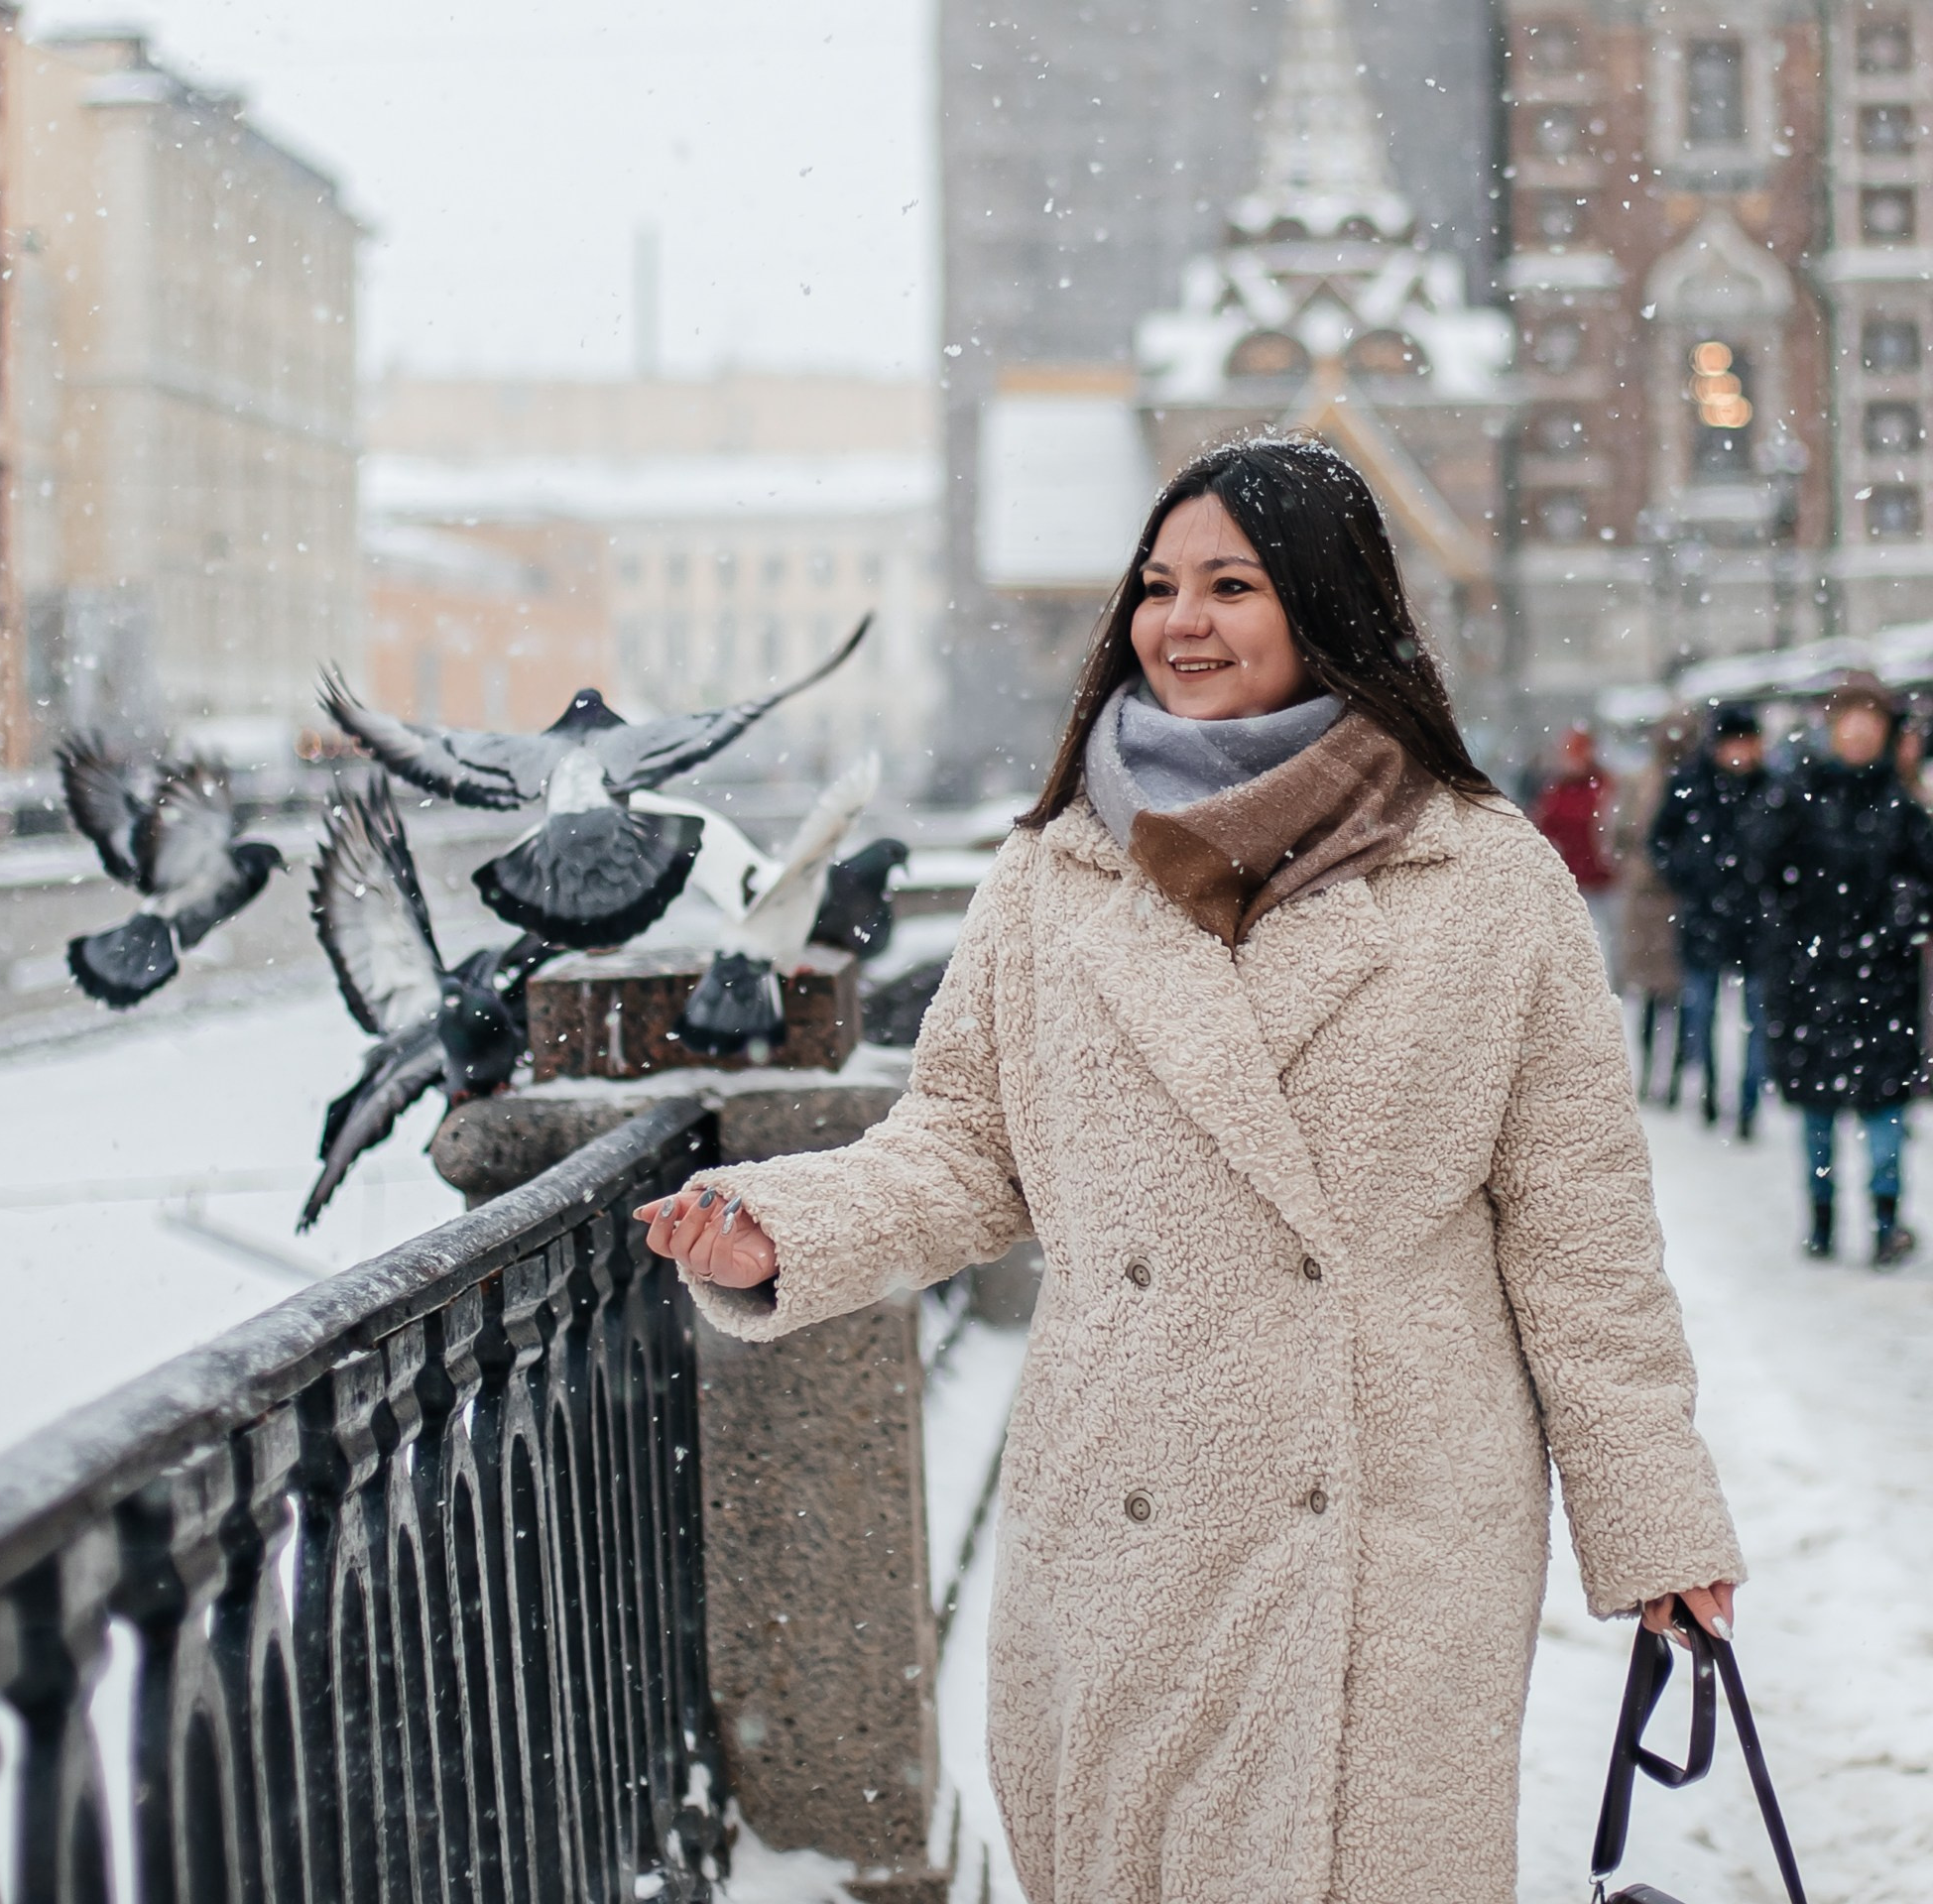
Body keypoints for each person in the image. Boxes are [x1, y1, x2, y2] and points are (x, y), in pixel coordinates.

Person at [637, 438, 1742, 1903]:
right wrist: (781, 1228)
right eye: (1159, 586)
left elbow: (1581, 1241)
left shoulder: (1485, 881)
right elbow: (965, 1142)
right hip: (1125, 1518)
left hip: (1395, 1527)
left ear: (1329, 607)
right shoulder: (1056, 875)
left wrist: (1654, 1521)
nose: (1183, 622)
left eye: (1233, 584)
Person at [1750, 671, 1933, 1264]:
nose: (1858, 734)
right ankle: (1822, 1220)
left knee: (1883, 1116)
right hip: (1812, 982)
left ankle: (1885, 1224)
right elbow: (1761, 869)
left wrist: (1905, 913)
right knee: (1819, 1118)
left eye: (1870, 722)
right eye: (1847, 721)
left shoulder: (1902, 806)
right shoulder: (1799, 795)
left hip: (1884, 982)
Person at [1648, 704, 1771, 1134]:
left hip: (1758, 924)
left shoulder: (1771, 790)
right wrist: (1690, 873)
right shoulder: (1691, 786)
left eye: (1746, 743)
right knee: (1701, 1015)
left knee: (1756, 1021)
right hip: (1704, 918)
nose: (1740, 753)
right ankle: (1710, 1093)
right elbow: (1659, 841)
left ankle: (1748, 1103)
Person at [1613, 716, 1691, 1100]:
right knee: (1652, 997)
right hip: (1647, 901)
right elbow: (1616, 835)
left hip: (1676, 899)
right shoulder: (1640, 781)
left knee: (1673, 998)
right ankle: (1653, 1071)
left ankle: (1673, 1072)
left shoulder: (1691, 783)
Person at [1530, 721, 1620, 973]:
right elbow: (1545, 831)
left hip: (1607, 879)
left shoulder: (1606, 785)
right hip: (1572, 881)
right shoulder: (1556, 791)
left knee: (1611, 945)